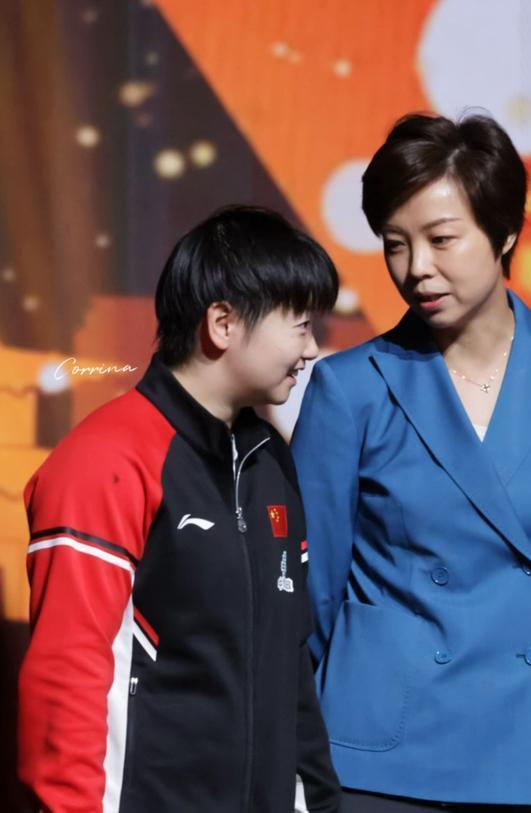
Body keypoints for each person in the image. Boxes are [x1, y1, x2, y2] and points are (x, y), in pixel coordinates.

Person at [291, 112, 531, 811]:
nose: (416, 267)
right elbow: (310, 592)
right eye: (395, 244)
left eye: (441, 238)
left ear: (504, 231)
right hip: (385, 755)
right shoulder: (349, 388)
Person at [18, 206, 341, 811]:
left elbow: (289, 664)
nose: (311, 349)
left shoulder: (270, 459)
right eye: (300, 326)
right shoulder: (104, 460)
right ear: (222, 323)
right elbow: (67, 674)